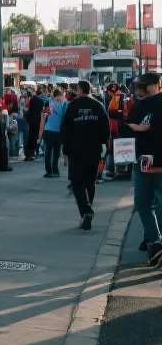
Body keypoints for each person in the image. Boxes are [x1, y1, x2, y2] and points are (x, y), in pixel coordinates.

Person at [120, 73, 162, 266]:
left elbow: (128, 129)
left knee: (144, 204)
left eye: (142, 86)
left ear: (153, 86)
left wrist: (136, 128)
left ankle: (155, 241)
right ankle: (156, 241)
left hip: (145, 161)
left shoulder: (141, 106)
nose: (139, 90)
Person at [60, 80, 110, 230]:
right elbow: (105, 128)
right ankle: (86, 211)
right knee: (90, 181)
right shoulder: (98, 106)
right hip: (93, 149)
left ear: (80, 89)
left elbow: (66, 129)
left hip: (77, 149)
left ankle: (86, 210)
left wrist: (66, 149)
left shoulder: (72, 106)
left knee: (76, 182)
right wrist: (102, 142)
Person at [42, 88, 67, 178]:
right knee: (56, 152)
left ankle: (48, 171)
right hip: (57, 131)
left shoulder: (49, 102)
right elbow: (64, 115)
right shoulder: (64, 104)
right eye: (62, 95)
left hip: (47, 130)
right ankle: (55, 170)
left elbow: (45, 113)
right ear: (60, 96)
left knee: (48, 151)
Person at [24, 85, 47, 160]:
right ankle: (35, 151)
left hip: (30, 121)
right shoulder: (41, 102)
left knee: (30, 137)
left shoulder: (32, 101)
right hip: (37, 121)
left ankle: (28, 154)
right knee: (36, 137)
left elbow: (27, 107)